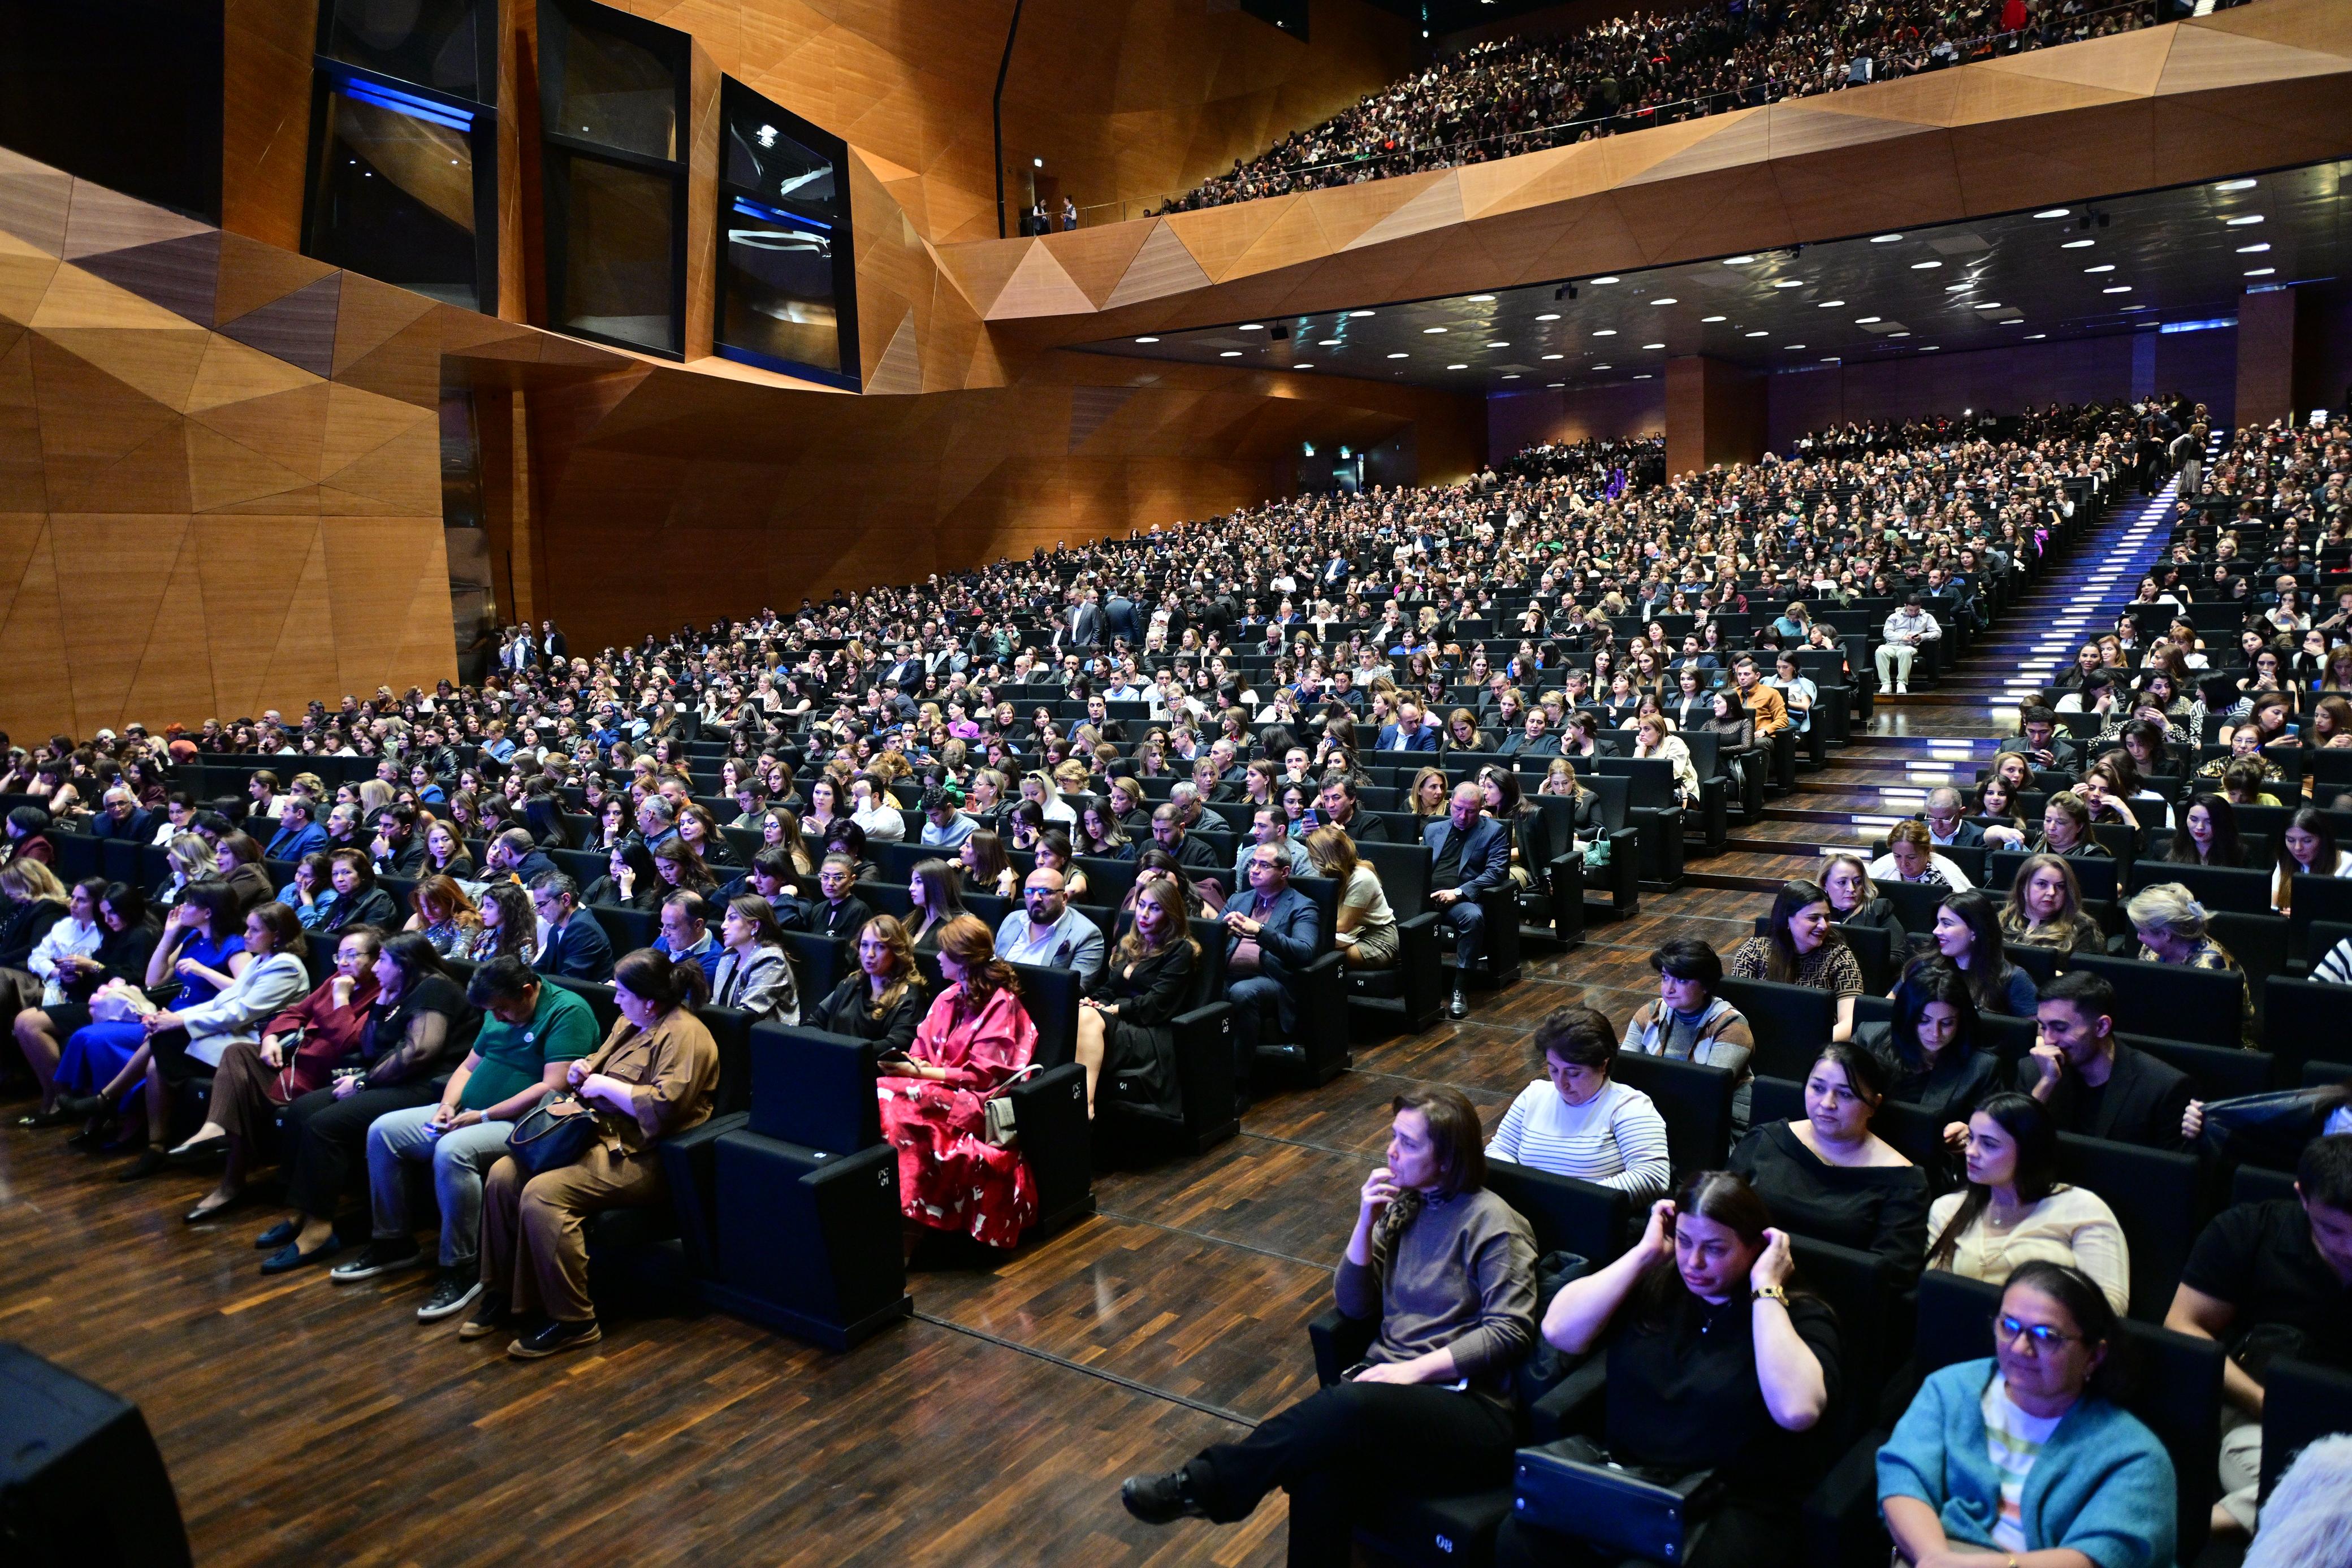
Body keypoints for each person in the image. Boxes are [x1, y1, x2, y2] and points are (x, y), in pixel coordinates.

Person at [1122, 1089, 1536, 1567]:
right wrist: (1365, 1223)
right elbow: (1354, 1306)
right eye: (1392, 1136)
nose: (1391, 1151)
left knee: (1351, 1403)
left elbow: (1510, 1330)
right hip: (1390, 1400)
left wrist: (1413, 1372)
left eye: (1409, 1143)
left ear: (1446, 1160)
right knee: (1321, 1470)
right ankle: (1208, 1488)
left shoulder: (1495, 1224)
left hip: (1471, 1411)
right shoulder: (1406, 1207)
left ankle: (1204, 1485)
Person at [1491, 1171, 1837, 1568]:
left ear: (1758, 1248)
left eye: (1716, 1249)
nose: (1695, 1262)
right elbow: (1559, 1332)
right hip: (1634, 1483)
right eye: (1686, 1242)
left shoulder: (1797, 1315)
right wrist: (1645, 1254)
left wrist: (1766, 1289)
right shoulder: (1658, 1286)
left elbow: (1797, 1411)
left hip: (1731, 1505)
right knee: (1520, 1538)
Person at [465, 946, 719, 1359]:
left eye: (622, 993)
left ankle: (574, 1321)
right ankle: (509, 1294)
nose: (615, 1000)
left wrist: (608, 1087)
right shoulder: (630, 1020)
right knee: (503, 1176)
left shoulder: (686, 1036)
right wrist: (585, 1069)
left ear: (650, 1000)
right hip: (593, 1136)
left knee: (543, 1193)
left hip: (643, 1156)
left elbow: (666, 1108)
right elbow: (595, 1072)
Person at [341, 955, 601, 1321]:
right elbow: (468, 1066)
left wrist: (482, 1116)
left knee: (452, 1149)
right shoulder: (496, 1006)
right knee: (384, 1131)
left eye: (502, 1010)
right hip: (470, 1113)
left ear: (527, 991)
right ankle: (393, 1241)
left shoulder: (568, 1012)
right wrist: (447, 1105)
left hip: (526, 1125)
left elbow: (553, 1086)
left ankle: (462, 1267)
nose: (495, 1018)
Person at [1879, 1261, 2176, 1568]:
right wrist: (1933, 1558)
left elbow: (2104, 1553)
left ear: (2094, 1354)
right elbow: (1904, 1477)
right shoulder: (1949, 1390)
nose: (2021, 1348)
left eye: (2046, 1336)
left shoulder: (2135, 1454)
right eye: (2009, 1326)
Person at [244, 932, 473, 1271]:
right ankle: (304, 1212)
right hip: (394, 1078)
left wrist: (364, 1083)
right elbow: (370, 1048)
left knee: (325, 1125)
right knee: (302, 1111)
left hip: (429, 1086)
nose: (375, 967)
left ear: (405, 964)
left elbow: (419, 1053)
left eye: (383, 961)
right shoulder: (399, 990)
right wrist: (382, 1002)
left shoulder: (435, 989)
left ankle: (318, 1232)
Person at [2166, 1133, 2352, 1537]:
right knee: (2314, 1491)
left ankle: (2209, 1521)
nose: (2351, 1247)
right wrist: (2262, 1400)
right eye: (2334, 1231)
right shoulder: (2248, 1230)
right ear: (2302, 1196)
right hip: (2256, 1418)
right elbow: (2182, 1325)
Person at [165, 924, 383, 1215]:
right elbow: (296, 1012)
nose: (343, 963)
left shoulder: (379, 993)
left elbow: (348, 1042)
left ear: (377, 959)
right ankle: (215, 1136)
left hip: (321, 1077)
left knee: (239, 1089)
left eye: (353, 955)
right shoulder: (337, 978)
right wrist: (269, 1038)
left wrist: (341, 999)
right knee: (238, 1053)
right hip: (292, 1061)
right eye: (340, 955)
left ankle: (231, 1184)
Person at [877, 915, 1039, 1250]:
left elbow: (983, 1076)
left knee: (894, 1102)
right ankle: (884, 1210)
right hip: (934, 1088)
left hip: (975, 1101)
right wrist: (911, 1065)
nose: (936, 958)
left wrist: (919, 1074)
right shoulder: (948, 996)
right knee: (879, 1091)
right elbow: (920, 1048)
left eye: (943, 953)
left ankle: (909, 1225)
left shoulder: (1002, 1006)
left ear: (963, 960)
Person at [1731, 1041, 1927, 1282]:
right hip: (1744, 1280)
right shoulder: (1765, 1140)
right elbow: (1722, 1215)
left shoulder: (1904, 1183)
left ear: (1874, 1105)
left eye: (1845, 1094)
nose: (1827, 1104)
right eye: (1818, 1088)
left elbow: (1891, 1277)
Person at [1926, 1090, 2130, 1310]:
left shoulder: (2083, 1208)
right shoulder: (1949, 1208)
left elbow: (2110, 1310)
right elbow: (1936, 1298)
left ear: (2029, 1152)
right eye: (1971, 1138)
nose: (1971, 1152)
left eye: (1989, 1144)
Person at [1488, 1004, 1670, 1196]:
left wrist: (1574, 1200)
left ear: (1603, 1065)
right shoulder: (1534, 1095)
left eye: (1573, 1073)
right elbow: (1499, 1151)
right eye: (1554, 1070)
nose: (1561, 1083)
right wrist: (1524, 1191)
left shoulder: (1630, 1107)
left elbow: (1652, 1177)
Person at [2018, 971, 2195, 1150]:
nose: (2048, 1039)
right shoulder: (2034, 1071)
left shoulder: (2163, 1087)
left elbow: (2172, 1171)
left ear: (2102, 1027)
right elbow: (2013, 1145)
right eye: (2043, 1027)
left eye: (2060, 1028)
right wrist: (2046, 1084)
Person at [1073, 877, 1197, 1119]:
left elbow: (1156, 1005)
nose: (1144, 914)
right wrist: (1095, 1002)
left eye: (1155, 908)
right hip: (1119, 1022)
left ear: (1170, 913)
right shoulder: (1130, 944)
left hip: (1150, 1032)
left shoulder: (1180, 950)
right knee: (1080, 1011)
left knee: (1086, 1019)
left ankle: (1083, 1109)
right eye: (1141, 905)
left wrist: (1112, 1010)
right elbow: (1109, 988)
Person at [1221, 839, 1322, 1094]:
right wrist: (1221, 932)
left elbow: (1305, 951)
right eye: (1253, 863)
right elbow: (1210, 939)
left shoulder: (1302, 906)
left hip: (1272, 980)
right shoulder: (1238, 900)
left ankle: (1238, 1083)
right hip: (1227, 973)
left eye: (1264, 865)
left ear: (1284, 872)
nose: (1254, 869)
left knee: (1243, 993)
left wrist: (1261, 931)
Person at [1727, 879, 1862, 1041]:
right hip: (1761, 1043)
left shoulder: (1839, 957)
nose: (1824, 926)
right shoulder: (1753, 952)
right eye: (1813, 918)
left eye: (1826, 918)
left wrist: (1804, 1045)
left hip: (1819, 1047)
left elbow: (1850, 1022)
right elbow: (1737, 1014)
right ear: (1787, 921)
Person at [2125, 881, 2255, 1050]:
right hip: (2169, 1036)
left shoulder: (2210, 971)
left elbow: (2208, 1033)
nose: (2138, 938)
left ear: (2165, 935)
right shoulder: (2152, 951)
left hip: (2219, 1050)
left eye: (2142, 932)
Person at [1885, 959, 2002, 1134]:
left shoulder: (1982, 1068)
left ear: (1961, 1022)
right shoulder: (1870, 1039)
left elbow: (1994, 1130)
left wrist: (1970, 1133)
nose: (1935, 1033)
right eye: (1924, 1021)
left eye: (1947, 1023)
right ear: (1907, 1017)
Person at [1424, 782, 1508, 1020]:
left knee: (1473, 917)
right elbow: (1420, 864)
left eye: (1471, 811)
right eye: (1458, 809)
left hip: (1460, 899)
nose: (1463, 816)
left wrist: (1458, 892)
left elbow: (1496, 872)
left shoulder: (1493, 831)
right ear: (1450, 804)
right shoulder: (1434, 829)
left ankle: (1460, 987)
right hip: (1428, 896)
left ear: (1481, 807)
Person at [1622, 937, 1755, 1079]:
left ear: (1706, 985)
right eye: (1665, 978)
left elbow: (1711, 1087)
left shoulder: (1731, 1026)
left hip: (1722, 1100)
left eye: (1681, 980)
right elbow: (1624, 1069)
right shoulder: (1650, 1013)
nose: (1669, 990)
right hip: (1654, 1097)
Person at [1905, 889, 2035, 1016]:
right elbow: (1893, 1008)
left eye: (1947, 924)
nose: (1936, 931)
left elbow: (2039, 1034)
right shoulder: (1924, 966)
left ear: (1975, 931)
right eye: (1938, 923)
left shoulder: (2013, 978)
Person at [808, 916, 928, 1053]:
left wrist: (841, 1050)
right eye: (864, 945)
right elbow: (813, 1024)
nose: (870, 954)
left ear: (897, 952)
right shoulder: (850, 984)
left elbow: (897, 1044)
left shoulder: (908, 997)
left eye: (880, 947)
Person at [1305, 825, 1396, 971]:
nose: (1310, 860)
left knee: (1308, 953)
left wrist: (1304, 928)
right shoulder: (1326, 874)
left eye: (1313, 856)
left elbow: (1343, 925)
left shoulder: (1361, 877)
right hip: (1347, 935)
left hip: (1375, 939)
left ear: (1324, 858)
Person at [995, 865, 1106, 981]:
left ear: (1064, 898)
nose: (1036, 898)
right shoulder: (1012, 919)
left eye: (1046, 892)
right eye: (1030, 892)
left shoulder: (1087, 934)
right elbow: (992, 966)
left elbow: (1072, 990)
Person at [710, 894, 799, 1023]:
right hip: (729, 1029)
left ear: (755, 925)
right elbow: (717, 1003)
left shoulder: (771, 959)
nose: (723, 925)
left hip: (763, 1037)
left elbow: (749, 1014)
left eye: (732, 918)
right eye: (725, 919)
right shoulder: (729, 955)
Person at [1999, 852, 2103, 958]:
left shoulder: (2082, 927)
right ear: (2023, 886)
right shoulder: (1998, 916)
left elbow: (2087, 973)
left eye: (2060, 886)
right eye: (2042, 884)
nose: (2052, 892)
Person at [528, 872, 615, 983]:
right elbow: (541, 967)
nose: (539, 912)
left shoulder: (584, 930)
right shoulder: (557, 926)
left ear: (566, 900)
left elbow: (570, 981)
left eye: (542, 904)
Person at [2273, 805, 2351, 913]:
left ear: (2323, 840)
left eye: (2307, 841)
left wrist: (2302, 914)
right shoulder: (2285, 861)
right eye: (2291, 840)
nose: (2298, 848)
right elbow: (2272, 904)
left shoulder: (2348, 863)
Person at [1867, 820, 1973, 891]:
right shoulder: (1883, 868)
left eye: (1912, 857)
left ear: (1927, 852)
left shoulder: (1944, 875)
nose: (1904, 864)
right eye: (1897, 856)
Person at [1822, 852, 1902, 937]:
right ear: (1824, 884)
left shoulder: (1879, 909)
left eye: (1858, 882)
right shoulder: (1812, 911)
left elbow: (1896, 950)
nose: (1851, 889)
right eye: (1842, 882)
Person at [1877, 593, 1940, 694]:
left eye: (1916, 610)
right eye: (1911, 610)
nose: (1914, 613)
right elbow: (1887, 632)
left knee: (1905, 652)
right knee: (1880, 650)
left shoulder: (1927, 617)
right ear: (1906, 606)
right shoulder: (1894, 616)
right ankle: (1886, 683)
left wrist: (1922, 637)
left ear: (1920, 606)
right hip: (1892, 645)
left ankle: (1901, 683)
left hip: (1910, 646)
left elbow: (1938, 633)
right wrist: (1902, 638)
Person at [805, 852, 876, 940]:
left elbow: (851, 951)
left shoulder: (859, 911)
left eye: (838, 877)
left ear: (852, 880)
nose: (830, 883)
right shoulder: (817, 910)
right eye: (825, 877)